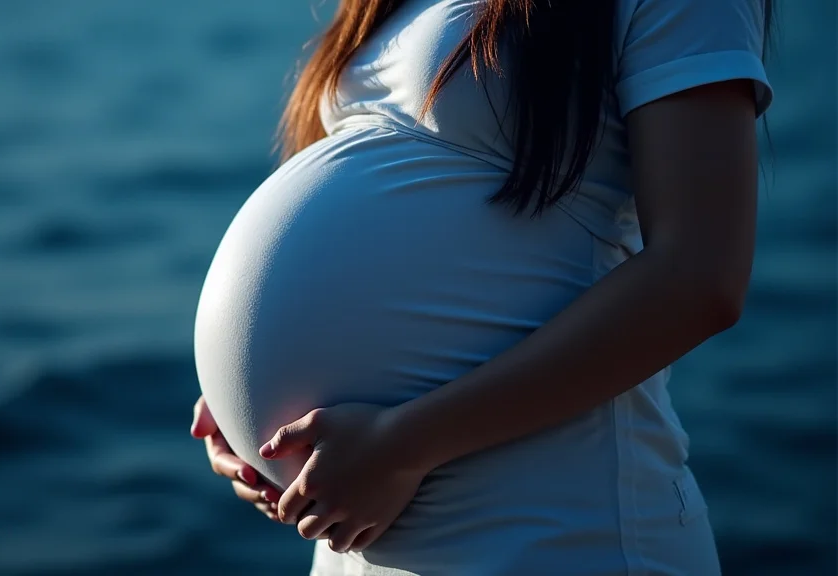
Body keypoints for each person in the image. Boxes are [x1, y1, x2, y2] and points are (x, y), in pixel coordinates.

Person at [191, 0, 773, 573]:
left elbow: (700, 276)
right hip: (359, 537)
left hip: (548, 526)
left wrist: (404, 444)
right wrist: (252, 416)